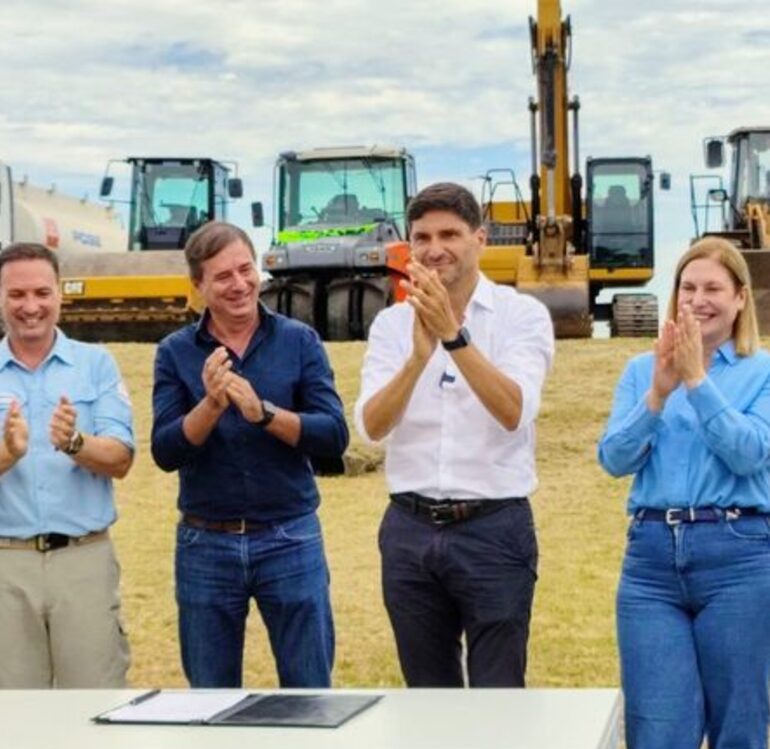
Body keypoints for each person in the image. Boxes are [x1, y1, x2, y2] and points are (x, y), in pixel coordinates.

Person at [354, 182, 554, 687]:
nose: (433, 248)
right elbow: (373, 426)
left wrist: (453, 337)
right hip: (409, 528)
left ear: (480, 239)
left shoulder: (521, 316)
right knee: (427, 695)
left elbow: (514, 410)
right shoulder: (391, 325)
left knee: (497, 692)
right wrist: (420, 358)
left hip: (492, 528)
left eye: (450, 234)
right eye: (422, 236)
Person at [151, 221, 348, 688]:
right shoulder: (174, 353)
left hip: (290, 538)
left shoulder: (299, 341)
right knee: (209, 697)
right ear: (197, 286)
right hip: (206, 545)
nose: (239, 284)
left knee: (309, 691)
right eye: (222, 276)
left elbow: (333, 434)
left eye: (246, 269)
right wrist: (212, 405)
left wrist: (264, 413)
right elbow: (165, 450)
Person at [598, 236, 770, 749]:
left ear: (740, 298)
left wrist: (697, 380)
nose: (699, 298)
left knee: (738, 734)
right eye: (687, 287)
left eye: (713, 288)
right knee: (658, 733)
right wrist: (658, 393)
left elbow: (749, 454)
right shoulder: (639, 371)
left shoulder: (762, 373)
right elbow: (614, 458)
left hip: (739, 557)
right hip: (651, 562)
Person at [0, 242, 134, 688]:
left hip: (84, 560)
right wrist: (8, 455)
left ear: (60, 294)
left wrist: (75, 443)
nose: (31, 306)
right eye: (17, 295)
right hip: (7, 565)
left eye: (42, 292)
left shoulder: (96, 365)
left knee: (93, 706)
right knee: (12, 719)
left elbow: (121, 459)